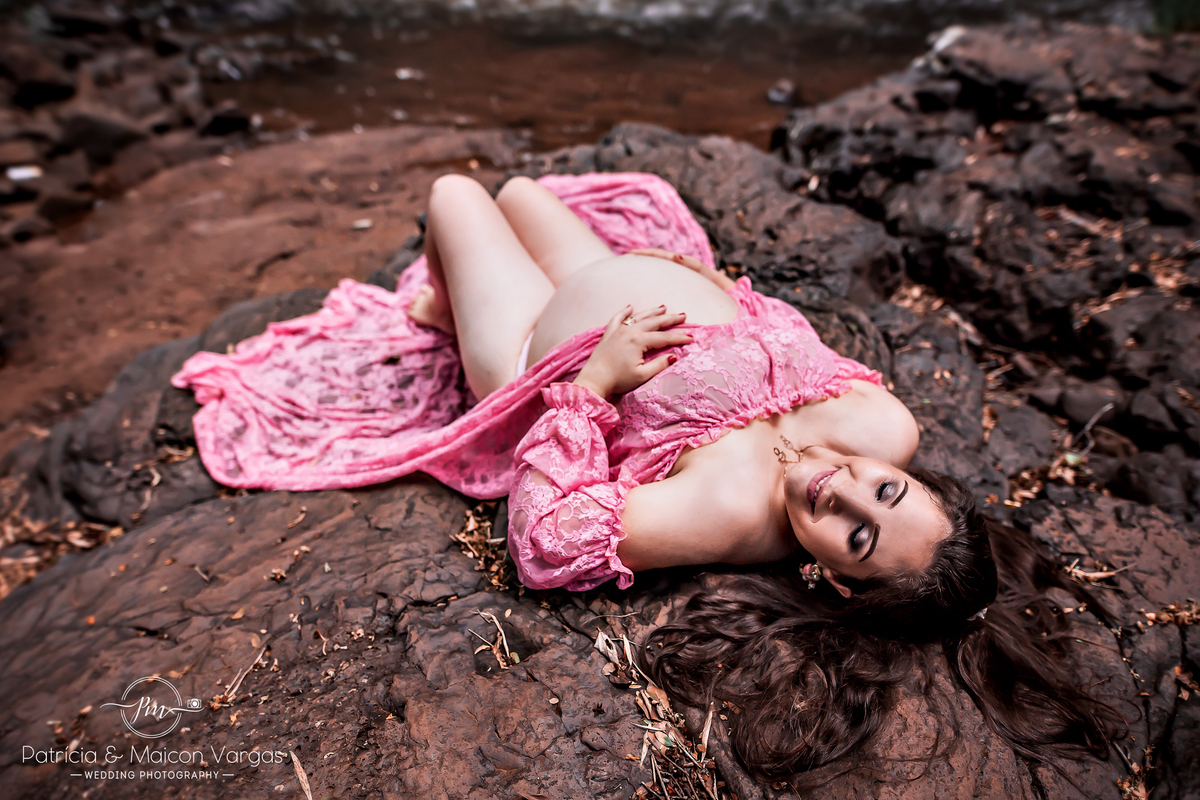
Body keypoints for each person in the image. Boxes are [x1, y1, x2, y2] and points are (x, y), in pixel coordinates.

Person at [405, 173, 1124, 778]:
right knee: (520, 190)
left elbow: (545, 543)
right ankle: (465, 294)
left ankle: (451, 313)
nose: (843, 491)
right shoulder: (885, 426)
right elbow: (786, 334)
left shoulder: (727, 512)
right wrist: (716, 285)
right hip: (625, 290)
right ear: (918, 480)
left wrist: (592, 384)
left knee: (454, 193)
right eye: (887, 491)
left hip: (537, 345)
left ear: (836, 581)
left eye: (859, 538)